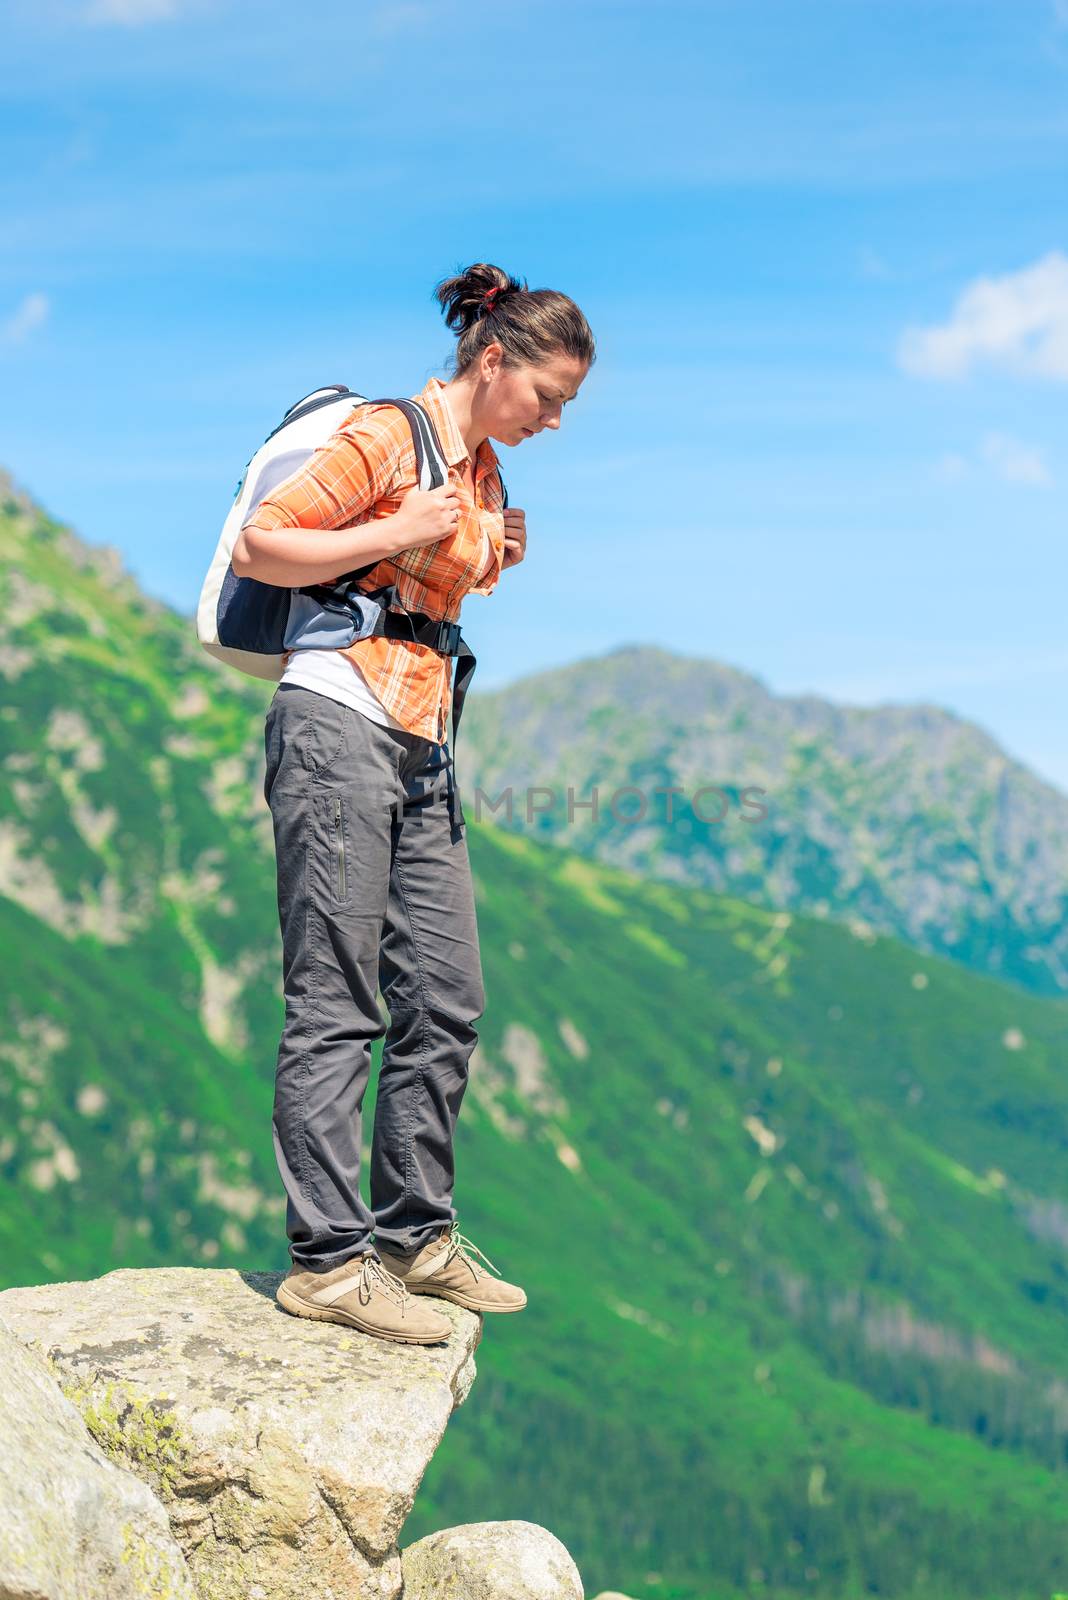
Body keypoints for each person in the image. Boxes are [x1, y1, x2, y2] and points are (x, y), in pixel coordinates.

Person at [232, 261, 595, 1344]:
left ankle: (411, 1236)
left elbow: (436, 572)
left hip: (423, 739)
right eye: (548, 396)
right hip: (338, 718)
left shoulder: (477, 467)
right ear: (493, 361)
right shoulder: (395, 434)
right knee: (337, 998)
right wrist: (392, 534)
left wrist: (491, 549)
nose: (555, 420)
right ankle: (327, 1265)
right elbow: (268, 539)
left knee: (446, 997)